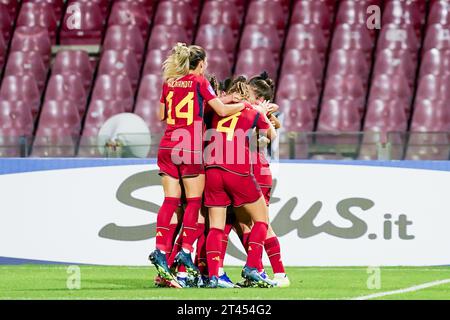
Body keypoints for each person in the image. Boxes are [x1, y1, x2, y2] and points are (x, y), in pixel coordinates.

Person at [149, 43, 245, 287]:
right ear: (200, 64)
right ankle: (186, 251)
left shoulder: (169, 82)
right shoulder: (200, 82)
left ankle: (160, 250)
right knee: (194, 202)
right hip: (189, 145)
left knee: (170, 201)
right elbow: (222, 111)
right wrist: (244, 105)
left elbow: (161, 114)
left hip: (168, 144)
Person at [203, 80, 278, 288]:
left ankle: (215, 274)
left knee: (216, 227)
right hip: (237, 169)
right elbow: (272, 135)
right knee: (261, 219)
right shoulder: (250, 111)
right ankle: (253, 267)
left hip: (211, 169)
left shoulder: (216, 110)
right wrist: (260, 112)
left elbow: (205, 111)